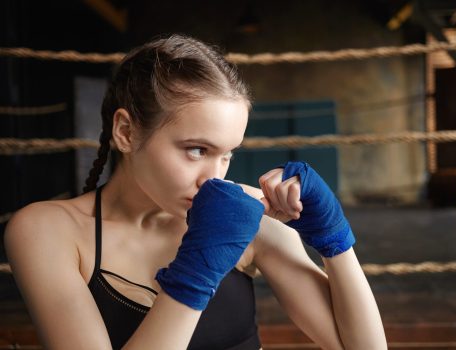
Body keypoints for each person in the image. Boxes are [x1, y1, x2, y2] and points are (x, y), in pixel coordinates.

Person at [4, 34, 387, 350]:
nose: (213, 178)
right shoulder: (47, 231)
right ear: (126, 132)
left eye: (226, 154)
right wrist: (198, 269)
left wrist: (335, 240)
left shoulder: (241, 213)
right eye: (196, 150)